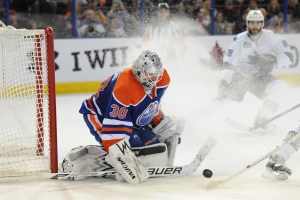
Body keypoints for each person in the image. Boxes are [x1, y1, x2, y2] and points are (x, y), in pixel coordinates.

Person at [62, 50, 184, 183]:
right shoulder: (124, 87)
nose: (154, 79)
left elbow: (151, 102)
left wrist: (155, 119)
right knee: (133, 147)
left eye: (156, 75)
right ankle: (84, 160)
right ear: (139, 71)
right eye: (150, 75)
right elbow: (114, 131)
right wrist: (121, 158)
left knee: (151, 146)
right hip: (100, 116)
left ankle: (129, 153)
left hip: (128, 117)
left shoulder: (162, 78)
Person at [217, 9, 293, 129]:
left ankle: (263, 118)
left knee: (280, 88)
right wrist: (225, 81)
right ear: (247, 23)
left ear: (262, 24)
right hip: (241, 78)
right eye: (252, 23)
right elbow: (228, 62)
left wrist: (275, 61)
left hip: (261, 78)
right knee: (223, 96)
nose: (255, 26)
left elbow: (289, 56)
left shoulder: (271, 37)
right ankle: (200, 115)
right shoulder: (240, 39)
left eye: (258, 23)